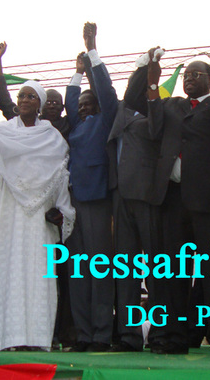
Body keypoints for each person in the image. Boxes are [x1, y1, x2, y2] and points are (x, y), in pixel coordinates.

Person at [123, 43, 210, 356]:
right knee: (172, 272)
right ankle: (174, 337)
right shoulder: (171, 105)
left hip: (209, 203)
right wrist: (150, 78)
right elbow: (142, 109)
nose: (190, 78)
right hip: (172, 201)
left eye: (198, 74)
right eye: (187, 74)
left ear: (209, 80)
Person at [0, 80, 75, 351]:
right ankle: (4, 338)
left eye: (31, 97)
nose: (25, 100)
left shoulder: (53, 138)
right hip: (8, 213)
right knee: (6, 271)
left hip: (38, 218)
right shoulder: (2, 132)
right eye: (21, 96)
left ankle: (36, 339)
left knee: (39, 274)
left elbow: (61, 178)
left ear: (39, 104)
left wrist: (61, 211)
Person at [64, 22, 119, 352]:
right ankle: (83, 334)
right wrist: (76, 74)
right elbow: (72, 100)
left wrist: (92, 46)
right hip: (74, 206)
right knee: (78, 273)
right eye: (81, 105)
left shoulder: (107, 118)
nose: (83, 107)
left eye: (89, 103)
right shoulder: (78, 124)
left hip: (99, 203)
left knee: (100, 271)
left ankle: (101, 334)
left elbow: (105, 91)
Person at [106, 60, 162, 352]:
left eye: (137, 84)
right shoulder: (119, 112)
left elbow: (157, 132)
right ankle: (128, 336)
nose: (133, 89)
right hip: (121, 199)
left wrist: (152, 81)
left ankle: (158, 334)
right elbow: (116, 90)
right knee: (125, 270)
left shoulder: (157, 109)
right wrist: (143, 66)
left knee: (155, 270)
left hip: (148, 198)